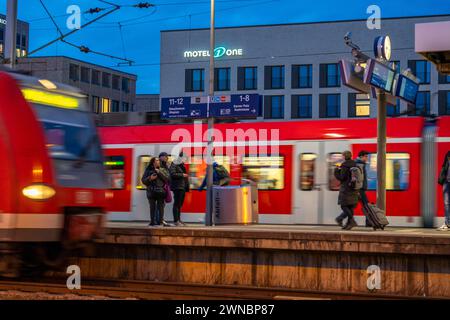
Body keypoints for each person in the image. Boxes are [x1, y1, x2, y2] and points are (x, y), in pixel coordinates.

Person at [334, 150, 360, 230]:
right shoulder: (355, 164)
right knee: (350, 207)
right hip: (354, 188)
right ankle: (348, 224)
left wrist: (336, 171)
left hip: (346, 189)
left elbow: (342, 178)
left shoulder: (344, 165)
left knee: (344, 205)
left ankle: (352, 221)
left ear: (345, 156)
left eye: (343, 156)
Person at [141, 157, 170, 227]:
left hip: (161, 191)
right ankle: (152, 222)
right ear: (153, 162)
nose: (158, 161)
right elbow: (143, 180)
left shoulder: (162, 169)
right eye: (157, 160)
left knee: (161, 207)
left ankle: (160, 221)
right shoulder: (148, 170)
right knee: (152, 207)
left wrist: (159, 172)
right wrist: (150, 178)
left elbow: (167, 179)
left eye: (159, 160)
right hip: (151, 191)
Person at [169, 152, 190, 226]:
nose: (185, 160)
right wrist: (182, 175)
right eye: (185, 158)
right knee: (177, 204)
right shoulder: (174, 164)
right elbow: (172, 174)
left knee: (180, 204)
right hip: (177, 187)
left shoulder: (181, 165)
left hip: (182, 186)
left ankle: (179, 220)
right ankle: (176, 221)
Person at [355, 150, 370, 226]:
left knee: (353, 205)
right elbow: (359, 178)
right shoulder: (359, 164)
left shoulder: (361, 164)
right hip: (360, 189)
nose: (367, 158)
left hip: (360, 189)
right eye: (366, 156)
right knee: (366, 205)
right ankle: (369, 222)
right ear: (361, 156)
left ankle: (341, 218)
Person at [158, 151, 173, 226]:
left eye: (166, 157)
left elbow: (168, 176)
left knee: (162, 205)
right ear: (160, 157)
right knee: (160, 205)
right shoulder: (159, 165)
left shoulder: (166, 165)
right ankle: (159, 220)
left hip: (164, 187)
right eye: (164, 156)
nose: (165, 158)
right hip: (160, 187)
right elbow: (165, 176)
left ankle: (160, 219)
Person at [437, 151, 450, 231]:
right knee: (446, 204)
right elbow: (444, 166)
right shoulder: (448, 153)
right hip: (447, 182)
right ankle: (447, 223)